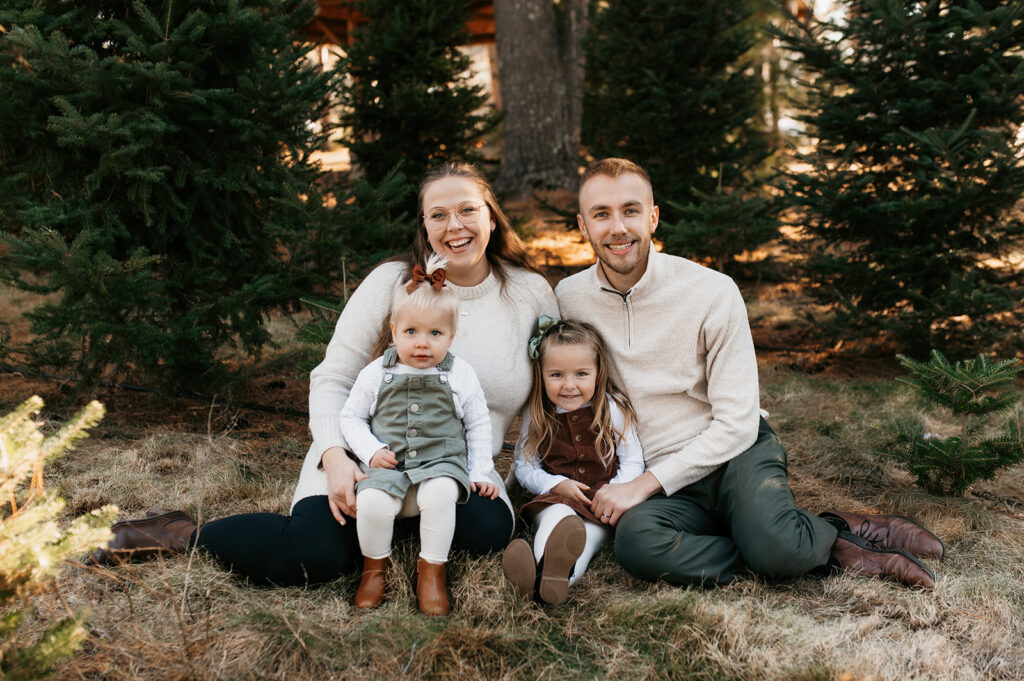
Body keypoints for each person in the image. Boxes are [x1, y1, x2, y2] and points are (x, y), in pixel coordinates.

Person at [92, 162, 559, 592]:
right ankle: (179, 532)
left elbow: (551, 398)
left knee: (490, 530)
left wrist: (523, 482)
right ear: (424, 227)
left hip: (449, 471)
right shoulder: (391, 283)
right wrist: (336, 457)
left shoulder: (529, 293)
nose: (455, 226)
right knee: (311, 557)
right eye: (438, 215)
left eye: (467, 211)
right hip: (364, 460)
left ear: (492, 218)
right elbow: (332, 377)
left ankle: (398, 535)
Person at [554, 157, 945, 588]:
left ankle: (830, 535)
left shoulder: (711, 291)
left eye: (630, 211)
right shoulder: (570, 299)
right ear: (582, 226)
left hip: (733, 453)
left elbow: (738, 423)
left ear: (653, 217)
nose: (618, 228)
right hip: (666, 480)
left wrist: (643, 485)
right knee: (635, 544)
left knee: (777, 547)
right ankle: (778, 539)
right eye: (601, 214)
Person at [340, 253, 498, 615]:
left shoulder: (460, 374)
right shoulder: (376, 373)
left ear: (452, 336)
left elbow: (477, 424)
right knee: (374, 503)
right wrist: (370, 450)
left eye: (435, 333)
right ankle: (374, 571)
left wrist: (479, 472)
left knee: (441, 494)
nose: (422, 343)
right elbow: (351, 418)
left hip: (441, 462)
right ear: (394, 331)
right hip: (389, 463)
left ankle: (431, 573)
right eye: (411, 332)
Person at [502, 317, 644, 604]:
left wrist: (613, 491)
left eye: (581, 374)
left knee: (586, 536)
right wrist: (556, 485)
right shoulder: (539, 412)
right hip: (556, 498)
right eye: (556, 375)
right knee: (557, 521)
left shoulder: (612, 409)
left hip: (602, 504)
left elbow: (633, 463)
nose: (569, 386)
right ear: (541, 374)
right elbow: (524, 466)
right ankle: (545, 574)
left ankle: (554, 580)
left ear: (597, 372)